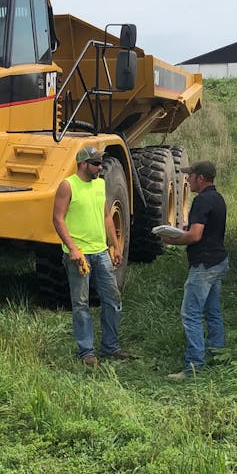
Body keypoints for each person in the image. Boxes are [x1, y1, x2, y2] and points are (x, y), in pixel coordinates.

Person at [51, 145, 133, 368]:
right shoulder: (68, 186)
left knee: (112, 299)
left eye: (101, 164)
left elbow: (107, 216)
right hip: (79, 256)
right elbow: (58, 219)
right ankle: (86, 351)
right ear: (83, 164)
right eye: (96, 163)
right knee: (81, 304)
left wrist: (115, 247)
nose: (100, 167)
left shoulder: (100, 184)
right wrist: (73, 249)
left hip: (100, 252)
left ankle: (110, 346)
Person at [161, 160, 228, 379]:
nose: (188, 180)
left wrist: (171, 239)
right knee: (212, 312)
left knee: (190, 313)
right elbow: (204, 229)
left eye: (190, 176)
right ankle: (217, 354)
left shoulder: (201, 201)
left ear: (200, 177)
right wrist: (184, 229)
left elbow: (195, 236)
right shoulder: (218, 199)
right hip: (218, 262)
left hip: (204, 265)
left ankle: (193, 366)